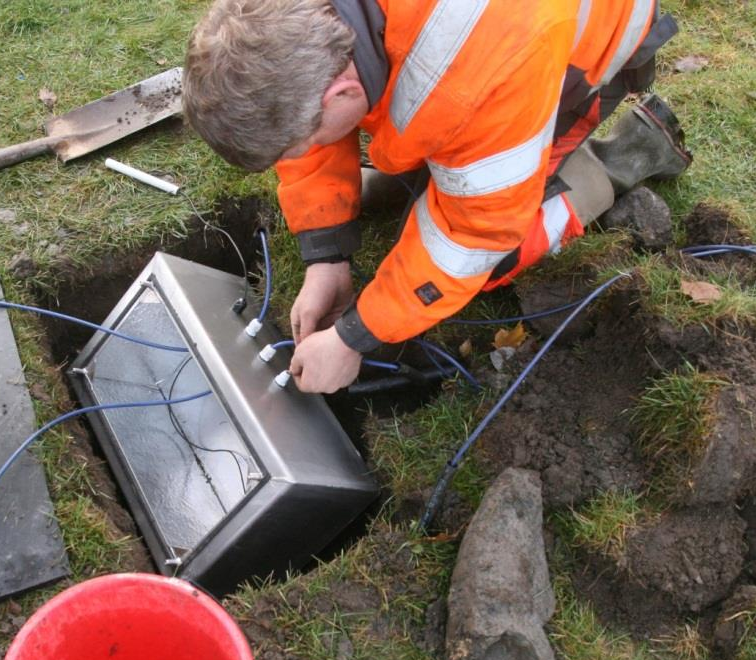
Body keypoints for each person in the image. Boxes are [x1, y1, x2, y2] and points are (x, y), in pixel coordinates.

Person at [183, 0, 692, 392]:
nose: (312, 147)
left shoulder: (482, 69)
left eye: (309, 138)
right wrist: (326, 253)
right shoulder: (296, 22)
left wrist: (354, 338)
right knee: (421, 182)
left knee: (491, 261)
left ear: (341, 93)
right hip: (481, 65)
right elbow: (305, 116)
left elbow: (477, 234)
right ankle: (436, 178)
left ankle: (625, 157)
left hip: (577, 51)